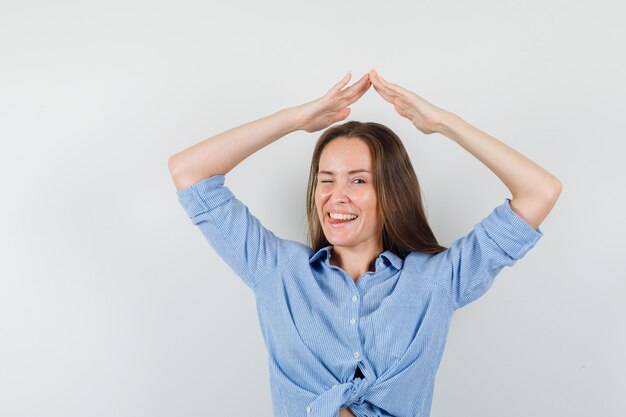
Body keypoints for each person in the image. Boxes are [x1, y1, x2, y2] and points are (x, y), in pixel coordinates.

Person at [168, 69, 561, 417]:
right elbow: (189, 172)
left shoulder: (438, 280)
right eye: (326, 179)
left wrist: (443, 123)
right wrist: (295, 120)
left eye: (358, 180)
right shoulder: (277, 270)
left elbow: (540, 191)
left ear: (390, 192)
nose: (337, 196)